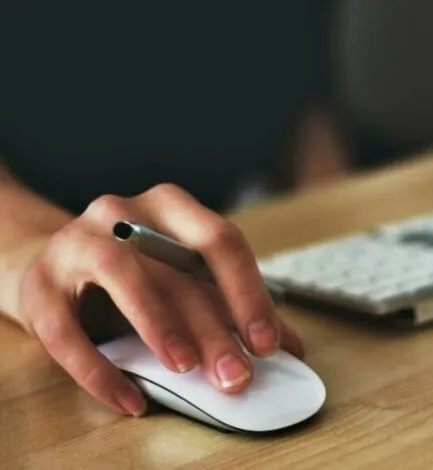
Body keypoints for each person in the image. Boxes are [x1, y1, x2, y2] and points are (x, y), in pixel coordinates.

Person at [0, 2, 343, 418]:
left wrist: (331, 242)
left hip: (239, 244)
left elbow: (308, 107)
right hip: (63, 235)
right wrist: (39, 257)